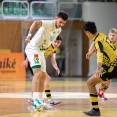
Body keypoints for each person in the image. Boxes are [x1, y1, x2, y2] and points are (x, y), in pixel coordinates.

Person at [25, 11, 68, 111]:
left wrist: (51, 52)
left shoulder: (58, 30)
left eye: (63, 23)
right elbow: (36, 22)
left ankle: (41, 100)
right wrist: (29, 36)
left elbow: (49, 42)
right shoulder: (49, 23)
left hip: (41, 51)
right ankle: (35, 100)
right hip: (33, 49)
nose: (61, 25)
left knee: (43, 76)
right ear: (56, 18)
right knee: (38, 73)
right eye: (60, 22)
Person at [83, 21, 117, 116]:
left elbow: (100, 55)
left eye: (86, 33)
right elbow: (101, 48)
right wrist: (91, 52)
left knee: (90, 83)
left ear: (88, 32)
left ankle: (95, 110)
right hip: (113, 64)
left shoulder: (98, 40)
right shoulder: (101, 35)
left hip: (112, 67)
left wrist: (98, 69)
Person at [22, 35, 62, 105]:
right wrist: (26, 60)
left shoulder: (54, 49)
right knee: (46, 79)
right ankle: (49, 100)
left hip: (38, 62)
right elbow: (34, 51)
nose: (56, 44)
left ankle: (32, 98)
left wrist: (56, 68)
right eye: (55, 41)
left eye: (58, 42)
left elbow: (53, 60)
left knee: (41, 80)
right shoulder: (46, 45)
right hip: (34, 61)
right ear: (51, 41)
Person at [86, 28, 117, 100]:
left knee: (108, 81)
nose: (111, 36)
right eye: (110, 35)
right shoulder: (104, 41)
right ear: (108, 35)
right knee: (107, 80)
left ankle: (101, 91)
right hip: (105, 64)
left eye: (113, 35)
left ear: (116, 36)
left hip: (113, 64)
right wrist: (90, 51)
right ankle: (100, 92)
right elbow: (97, 45)